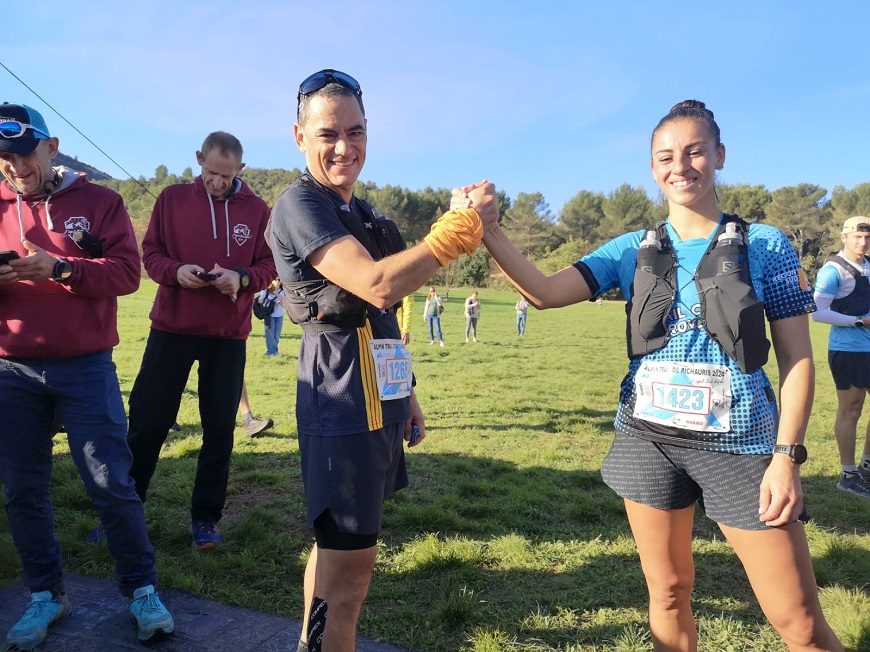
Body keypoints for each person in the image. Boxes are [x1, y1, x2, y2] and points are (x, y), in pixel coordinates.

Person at [461, 100, 843, 650]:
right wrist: (490, 232)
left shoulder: (765, 244)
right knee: (666, 593)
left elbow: (798, 362)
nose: (680, 166)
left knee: (799, 623)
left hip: (743, 449)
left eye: (694, 152)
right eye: (665, 156)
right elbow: (544, 293)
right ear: (652, 167)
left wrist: (787, 458)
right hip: (648, 442)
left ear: (719, 156)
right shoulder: (631, 249)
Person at [268, 69, 492, 652]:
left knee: (343, 556)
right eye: (328, 134)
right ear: (299, 136)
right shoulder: (300, 204)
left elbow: (386, 309)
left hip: (380, 396)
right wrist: (458, 230)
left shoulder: (362, 210)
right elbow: (374, 283)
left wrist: (408, 392)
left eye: (356, 131)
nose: (345, 147)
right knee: (349, 571)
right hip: (340, 395)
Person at [0, 103, 174, 647]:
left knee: (111, 483)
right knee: (23, 489)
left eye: (25, 154)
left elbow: (128, 274)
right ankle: (45, 594)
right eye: (4, 159)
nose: (16, 168)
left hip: (85, 366)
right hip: (12, 368)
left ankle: (141, 590)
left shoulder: (100, 202)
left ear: (51, 148)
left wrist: (62, 268)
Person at [125, 131, 276, 550]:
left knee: (219, 431)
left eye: (226, 176)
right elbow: (150, 255)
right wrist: (176, 272)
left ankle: (206, 520)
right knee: (147, 422)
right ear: (198, 160)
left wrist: (241, 278)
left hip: (227, 338)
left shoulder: (257, 210)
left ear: (239, 170)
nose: (217, 182)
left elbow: (268, 266)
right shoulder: (171, 199)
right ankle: (124, 510)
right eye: (211, 172)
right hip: (170, 329)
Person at [811, 216, 870, 498]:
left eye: (868, 238)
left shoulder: (869, 265)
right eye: (857, 237)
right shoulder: (833, 270)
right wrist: (859, 321)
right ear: (845, 237)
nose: (863, 242)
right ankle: (848, 475)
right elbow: (817, 311)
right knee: (851, 409)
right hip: (848, 351)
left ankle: (867, 467)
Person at [258, 277, 286, 356]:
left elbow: (282, 299)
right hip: (269, 316)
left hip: (279, 316)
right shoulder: (265, 291)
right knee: (270, 334)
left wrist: (275, 294)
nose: (278, 281)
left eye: (279, 280)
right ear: (272, 281)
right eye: (276, 279)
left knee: (276, 335)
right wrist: (268, 301)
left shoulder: (282, 291)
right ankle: (272, 352)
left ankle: (273, 351)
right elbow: (260, 300)